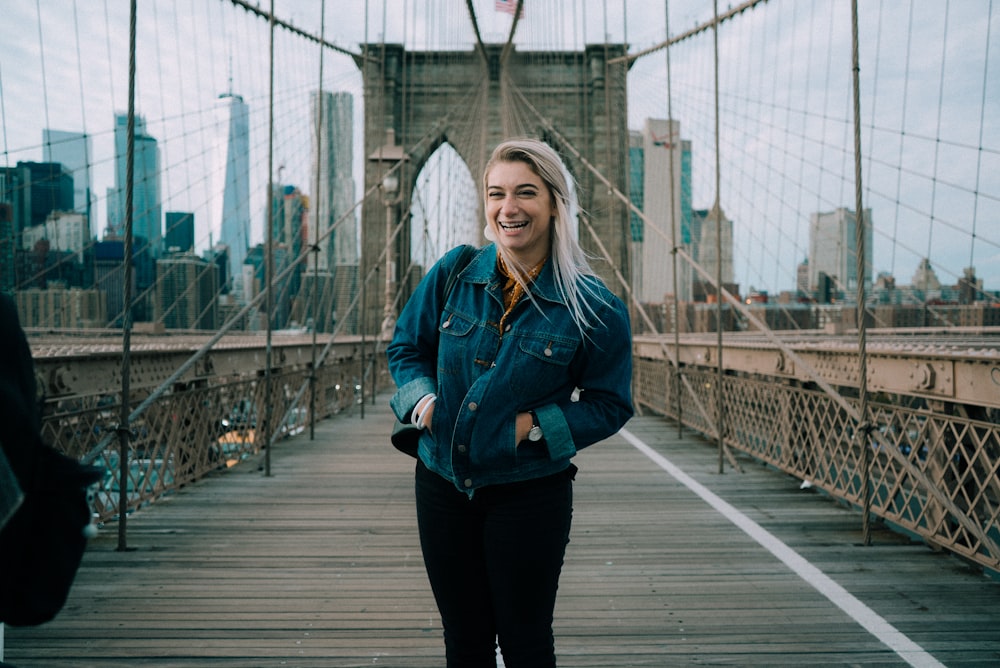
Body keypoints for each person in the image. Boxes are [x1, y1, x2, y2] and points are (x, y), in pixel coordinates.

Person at [387, 137, 634, 666]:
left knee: (524, 642)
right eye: (496, 193)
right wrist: (422, 399)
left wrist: (536, 427)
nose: (508, 208)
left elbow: (610, 403)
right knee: (465, 641)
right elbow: (407, 346)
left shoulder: (595, 308)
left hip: (529, 492)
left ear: (554, 203)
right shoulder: (454, 273)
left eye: (525, 193)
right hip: (442, 483)